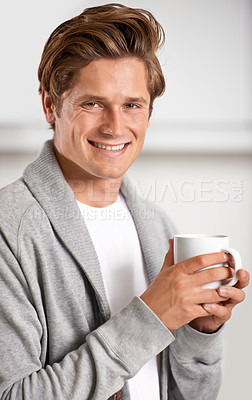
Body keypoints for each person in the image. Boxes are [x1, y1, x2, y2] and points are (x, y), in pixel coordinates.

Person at [0, 3, 249, 400]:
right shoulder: (8, 231)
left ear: (148, 112)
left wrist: (199, 334)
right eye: (93, 103)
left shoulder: (158, 226)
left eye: (132, 105)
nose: (116, 126)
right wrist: (152, 317)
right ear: (51, 105)